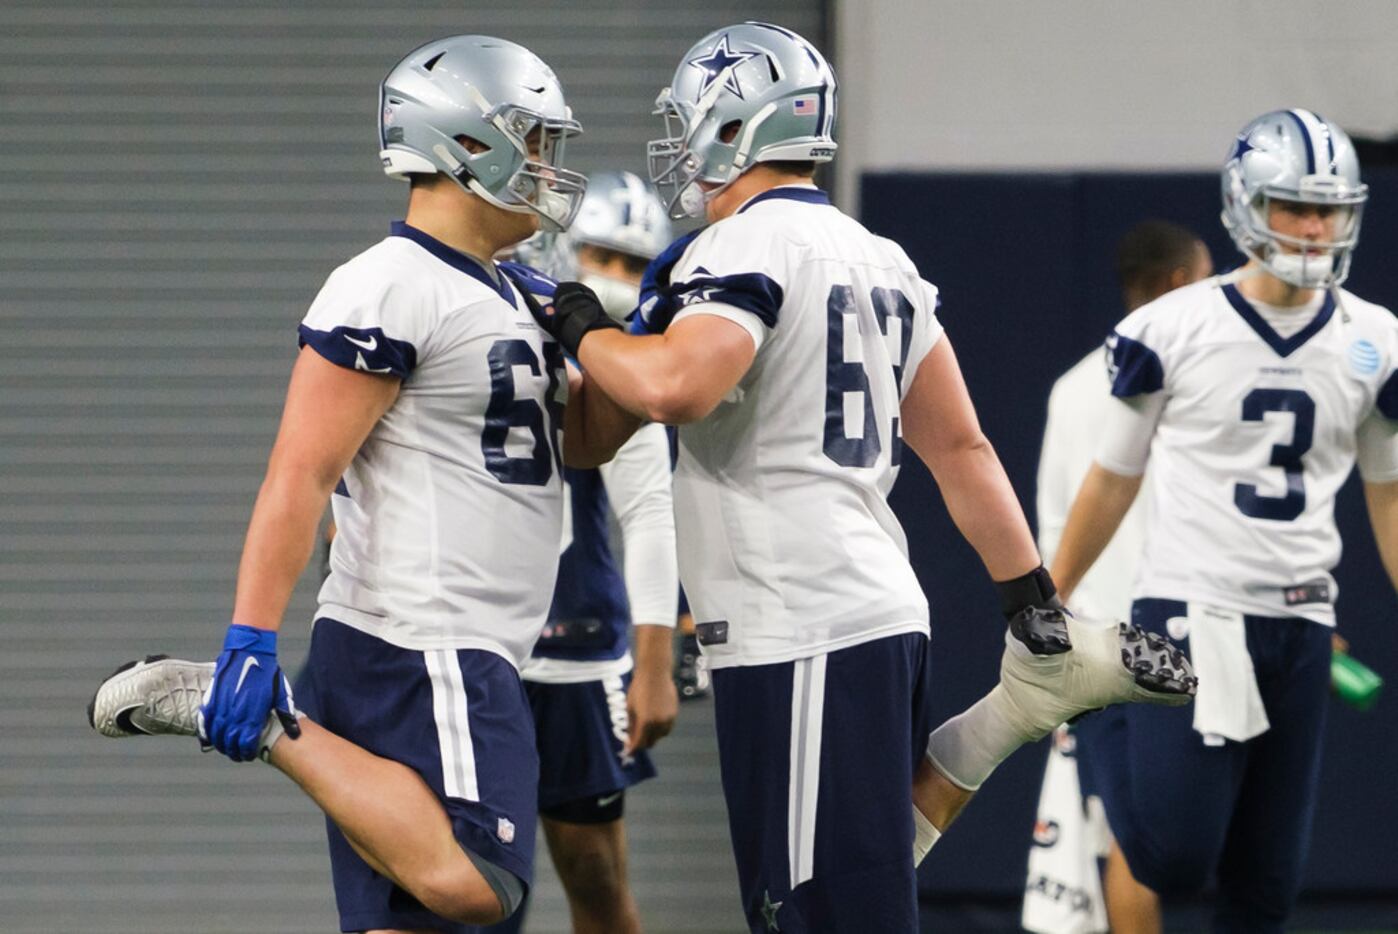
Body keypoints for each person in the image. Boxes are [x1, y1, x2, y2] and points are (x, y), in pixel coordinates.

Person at [528, 22, 1196, 933]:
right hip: (871, 612)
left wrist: (581, 326)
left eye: (692, 123)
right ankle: (1016, 707)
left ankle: (1019, 706)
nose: (682, 146)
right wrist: (1027, 597)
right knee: (862, 881)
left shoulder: (737, 250)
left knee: (809, 912)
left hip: (798, 624)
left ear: (734, 129)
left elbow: (678, 390)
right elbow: (962, 450)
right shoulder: (884, 260)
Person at [88, 35, 640, 933]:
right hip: (423, 639)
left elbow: (580, 444)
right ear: (467, 145)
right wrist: (250, 639)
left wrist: (627, 366)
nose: (547, 166)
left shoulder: (518, 292)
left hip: (460, 640)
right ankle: (270, 726)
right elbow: (299, 474)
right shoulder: (386, 284)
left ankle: (281, 726)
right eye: (532, 140)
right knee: (477, 880)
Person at [1050, 109, 1398, 934]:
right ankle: (1093, 707)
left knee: (1266, 887)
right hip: (1190, 613)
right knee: (1174, 858)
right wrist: (1048, 597)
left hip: (1303, 622)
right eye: (1293, 205)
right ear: (1247, 204)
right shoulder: (1172, 329)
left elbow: (1388, 491)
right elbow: (1110, 482)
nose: (1314, 227)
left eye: (1329, 208)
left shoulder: (1375, 339)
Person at [487, 172, 680, 934]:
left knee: (595, 881)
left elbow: (649, 505)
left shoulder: (610, 350)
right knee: (473, 888)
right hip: (473, 643)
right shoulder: (449, 310)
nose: (618, 281)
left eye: (637, 266)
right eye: (603, 254)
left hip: (575, 645)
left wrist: (656, 654)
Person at [1023, 221, 1212, 934]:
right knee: (1140, 850)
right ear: (1176, 286)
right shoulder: (1190, 382)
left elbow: (1048, 534)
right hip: (1177, 638)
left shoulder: (1070, 388)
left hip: (1092, 652)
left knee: (1120, 841)